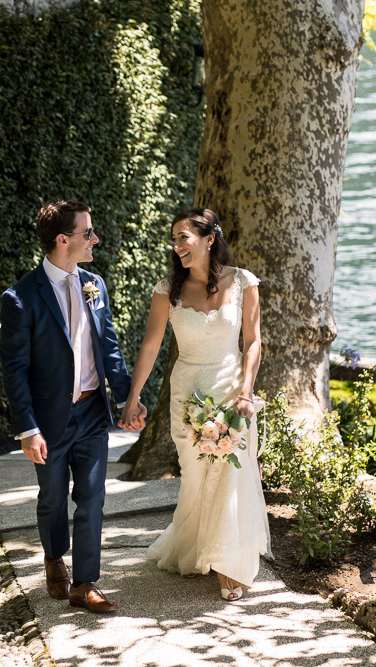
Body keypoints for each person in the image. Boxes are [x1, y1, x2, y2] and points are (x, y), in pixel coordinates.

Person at [0, 200, 146, 614]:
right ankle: (53, 557)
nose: (94, 239)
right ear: (63, 240)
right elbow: (15, 371)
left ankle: (85, 583)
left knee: (93, 497)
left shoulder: (94, 284)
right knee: (51, 498)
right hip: (49, 419)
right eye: (87, 233)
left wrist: (127, 399)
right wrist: (28, 429)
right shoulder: (21, 298)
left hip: (93, 413)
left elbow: (109, 349)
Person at [120, 207, 272, 601]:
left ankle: (227, 566)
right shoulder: (166, 289)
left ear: (209, 239)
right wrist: (133, 396)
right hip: (187, 394)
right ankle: (196, 548)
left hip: (231, 390)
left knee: (229, 475)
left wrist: (247, 391)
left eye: (183, 237)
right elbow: (151, 346)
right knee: (196, 475)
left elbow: (253, 341)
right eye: (173, 240)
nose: (176, 246)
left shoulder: (243, 283)